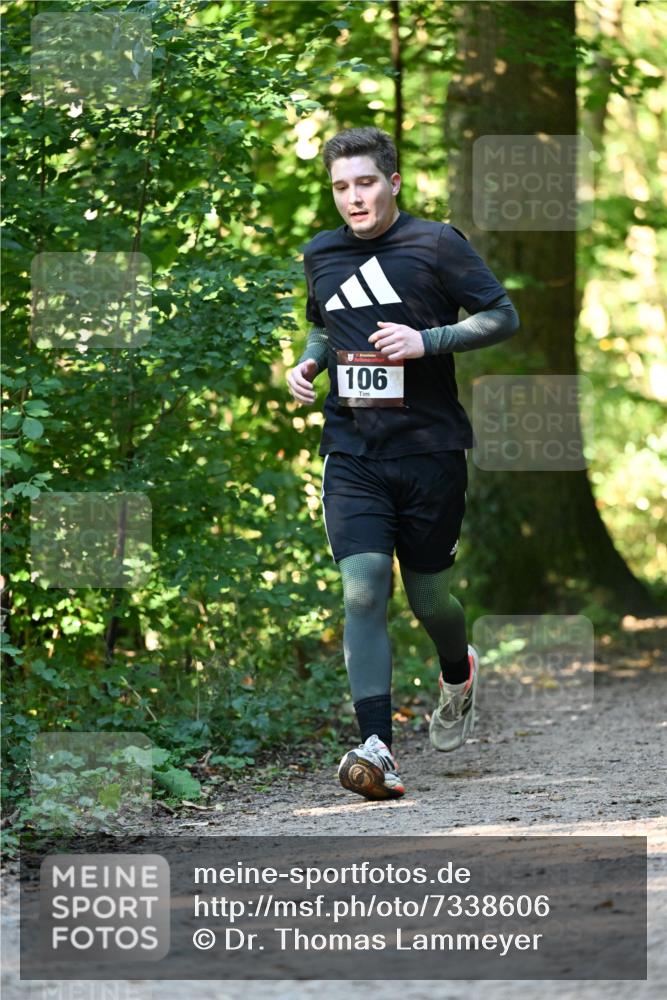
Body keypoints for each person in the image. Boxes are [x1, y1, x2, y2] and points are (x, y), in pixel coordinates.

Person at [287, 126, 519, 801]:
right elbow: (324, 325)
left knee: (430, 598)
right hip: (352, 450)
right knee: (361, 589)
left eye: (364, 183)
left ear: (391, 181)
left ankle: (458, 669)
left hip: (429, 449)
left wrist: (428, 340)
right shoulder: (322, 254)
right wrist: (307, 363)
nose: (352, 198)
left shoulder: (436, 244)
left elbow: (501, 316)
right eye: (340, 187)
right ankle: (376, 747)